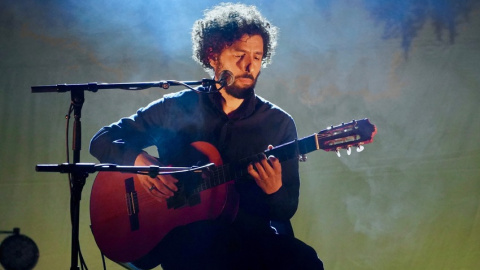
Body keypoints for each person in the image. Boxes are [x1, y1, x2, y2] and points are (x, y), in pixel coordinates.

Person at [90, 3, 324, 270]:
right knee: (197, 248)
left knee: (305, 262)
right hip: (186, 242)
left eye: (257, 57)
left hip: (250, 242)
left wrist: (275, 190)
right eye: (239, 54)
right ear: (212, 55)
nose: (249, 65)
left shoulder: (278, 124)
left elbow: (285, 210)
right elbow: (102, 139)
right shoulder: (176, 108)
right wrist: (138, 161)